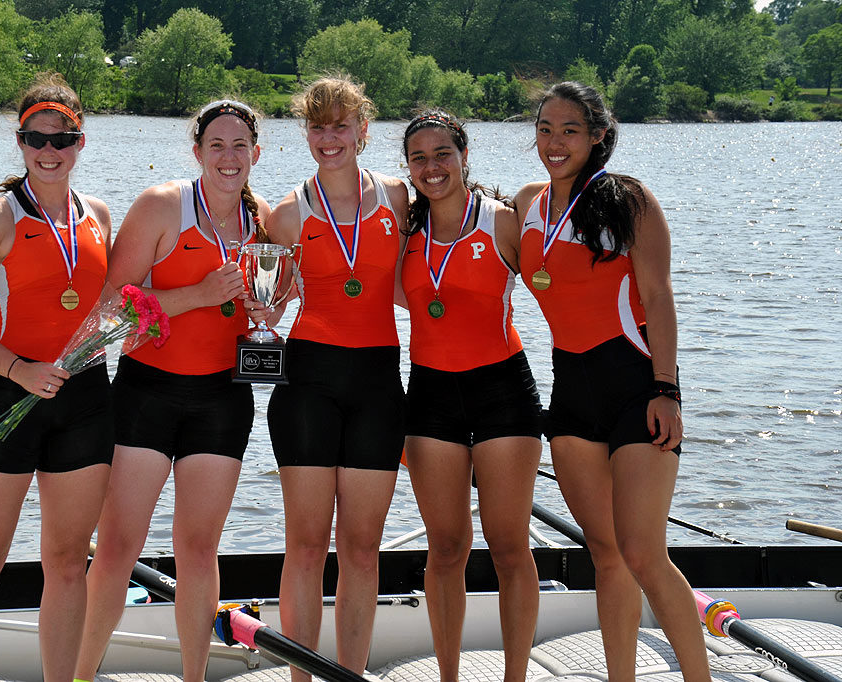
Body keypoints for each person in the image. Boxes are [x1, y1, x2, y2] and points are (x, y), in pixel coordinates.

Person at [514, 81, 712, 682]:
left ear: (598, 135)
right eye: (545, 129)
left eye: (570, 130)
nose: (555, 142)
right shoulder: (526, 203)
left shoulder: (628, 199)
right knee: (606, 555)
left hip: (637, 388)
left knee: (646, 554)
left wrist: (667, 389)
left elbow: (659, 297)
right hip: (571, 392)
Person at [74, 99, 271, 682]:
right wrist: (199, 296)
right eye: (217, 146)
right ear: (197, 152)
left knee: (199, 550)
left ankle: (194, 677)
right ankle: (80, 673)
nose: (228, 158)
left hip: (222, 401)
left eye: (240, 147)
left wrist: (266, 309)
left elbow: (256, 307)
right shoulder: (162, 206)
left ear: (256, 154)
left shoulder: (260, 221)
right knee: (116, 550)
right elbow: (109, 311)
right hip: (147, 397)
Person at [0, 72, 113, 682]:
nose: (49, 151)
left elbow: (110, 311)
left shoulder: (101, 218)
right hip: (5, 396)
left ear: (80, 142)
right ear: (20, 142)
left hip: (84, 400)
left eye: (62, 139)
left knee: (66, 563)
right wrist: (19, 369)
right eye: (36, 138)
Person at [263, 75, 409, 681]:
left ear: (363, 131)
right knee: (305, 547)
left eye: (340, 126)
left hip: (378, 382)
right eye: (318, 127)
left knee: (361, 551)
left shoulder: (400, 199)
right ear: (307, 134)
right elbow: (268, 304)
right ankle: (301, 677)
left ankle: (349, 674)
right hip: (308, 383)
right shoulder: (287, 214)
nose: (329, 138)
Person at [400, 111, 543, 682]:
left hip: (503, 390)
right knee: (447, 549)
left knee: (509, 547)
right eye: (419, 158)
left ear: (464, 156)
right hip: (431, 395)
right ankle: (449, 676)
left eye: (443, 155)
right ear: (407, 168)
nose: (432, 168)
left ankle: (515, 677)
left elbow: (567, 295)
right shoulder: (404, 232)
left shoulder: (505, 223)